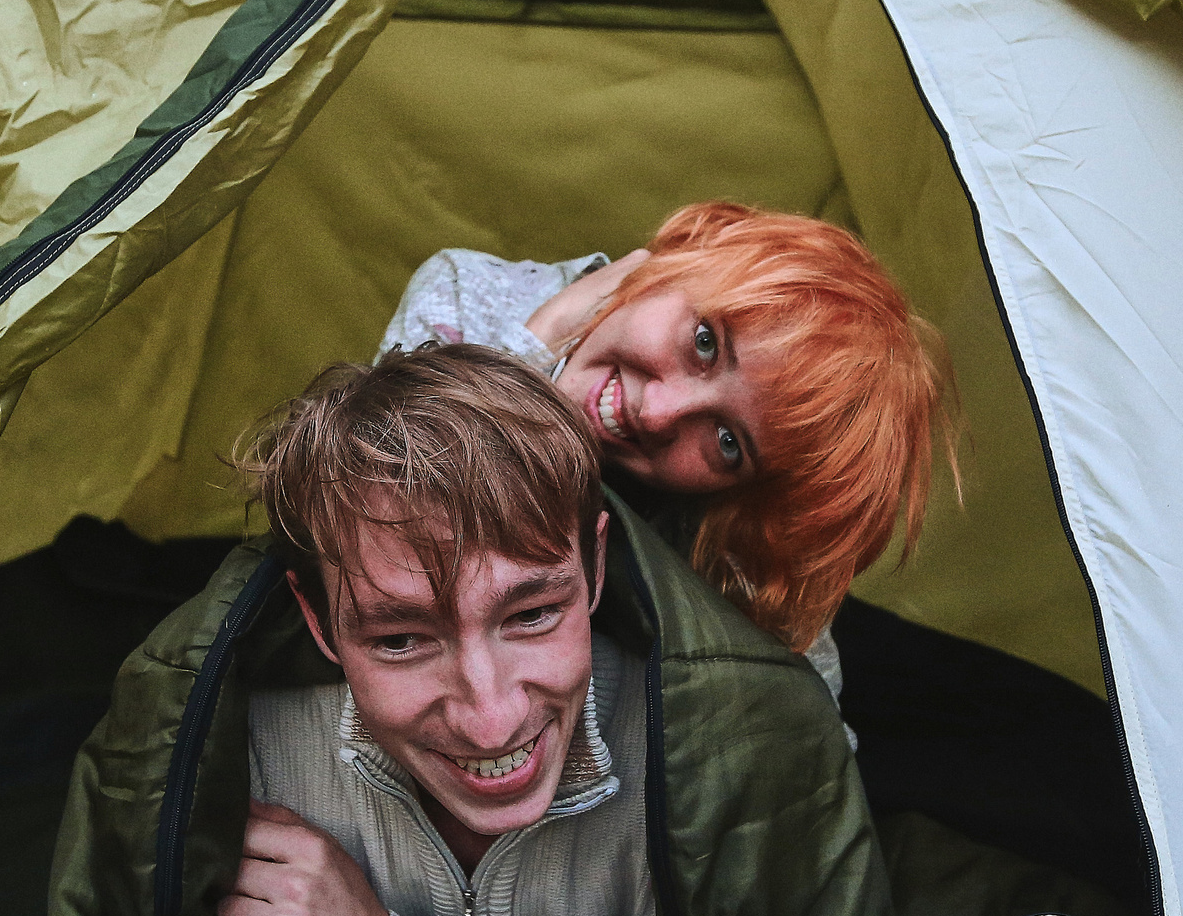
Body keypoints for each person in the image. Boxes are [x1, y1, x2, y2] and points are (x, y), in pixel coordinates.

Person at [49, 343, 911, 916]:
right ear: (317, 623)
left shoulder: (719, 760)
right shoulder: (244, 754)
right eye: (400, 638)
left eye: (533, 613)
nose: (490, 712)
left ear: (597, 567)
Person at [379, 200, 954, 680]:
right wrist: (538, 344)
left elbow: (802, 732)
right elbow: (390, 534)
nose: (657, 413)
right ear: (685, 258)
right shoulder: (465, 300)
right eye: (705, 342)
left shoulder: (721, 538)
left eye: (728, 443)